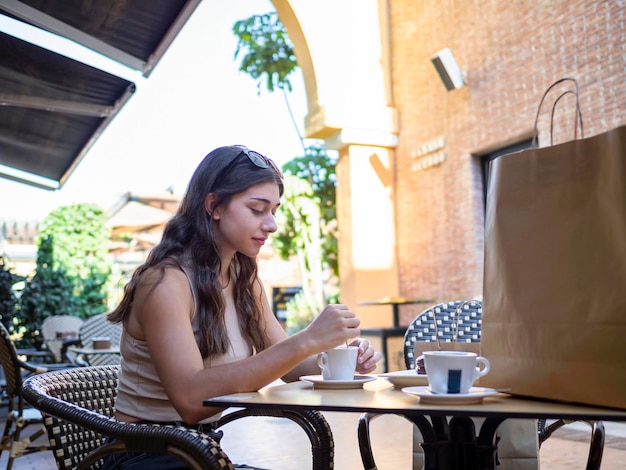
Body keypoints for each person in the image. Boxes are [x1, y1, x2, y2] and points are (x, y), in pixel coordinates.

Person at [103, 145, 382, 469]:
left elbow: (292, 368)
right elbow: (192, 401)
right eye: (257, 209)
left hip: (200, 452)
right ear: (214, 206)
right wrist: (307, 338)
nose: (272, 224)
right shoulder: (165, 283)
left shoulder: (241, 279)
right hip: (145, 456)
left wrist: (341, 360)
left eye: (274, 210)